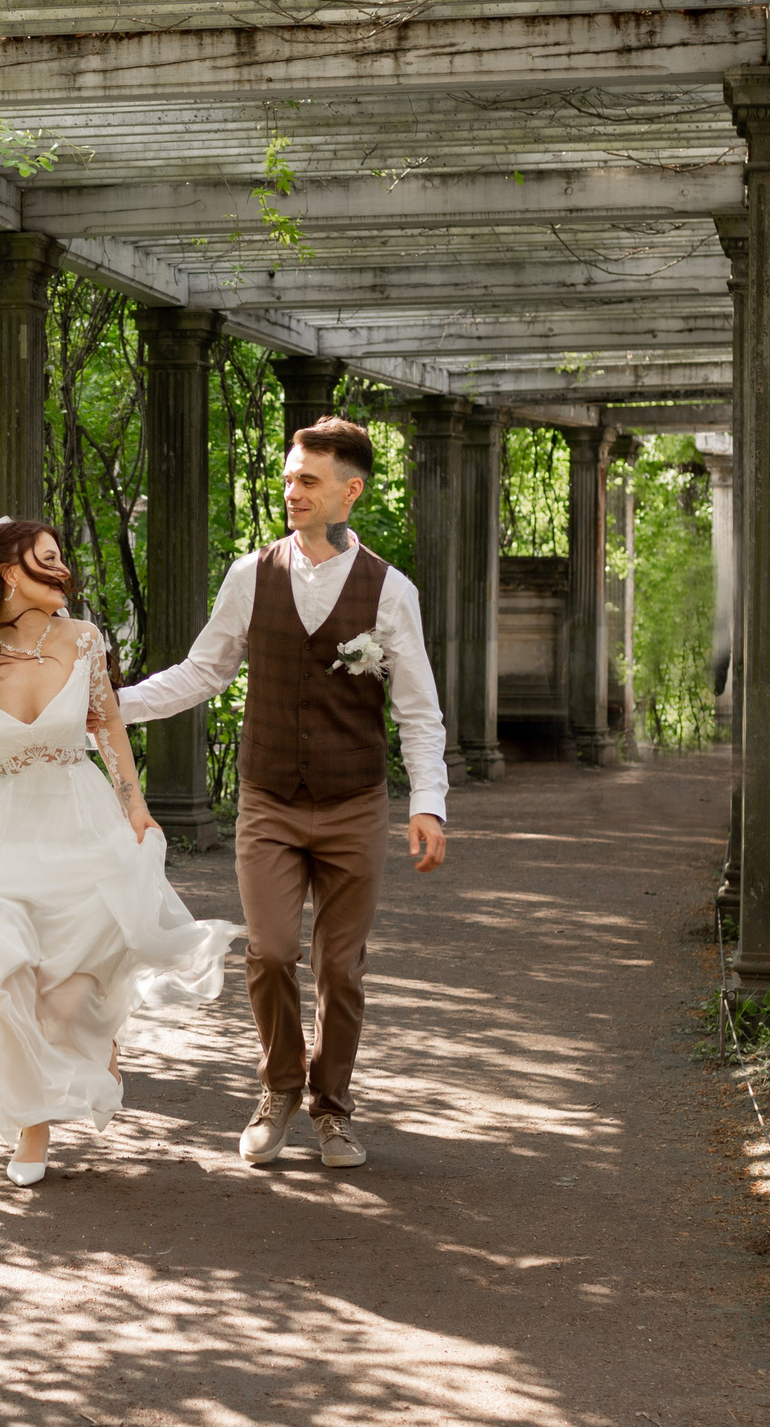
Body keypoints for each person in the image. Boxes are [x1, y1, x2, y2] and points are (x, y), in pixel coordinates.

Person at [115, 415, 450, 1170]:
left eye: (308, 480)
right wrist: (115, 702)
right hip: (267, 799)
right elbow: (203, 671)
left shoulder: (392, 592)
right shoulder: (250, 575)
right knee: (268, 952)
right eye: (289, 477)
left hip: (354, 801)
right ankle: (279, 1089)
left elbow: (419, 710)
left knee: (340, 967)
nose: (291, 491)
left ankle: (333, 1108)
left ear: (349, 491)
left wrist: (428, 801)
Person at [0, 519, 242, 1187]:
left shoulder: (84, 640)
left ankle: (95, 1044)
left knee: (68, 999)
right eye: (48, 561)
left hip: (79, 823)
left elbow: (109, 731)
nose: (63, 570)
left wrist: (136, 809)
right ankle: (31, 1126)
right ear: (10, 573)